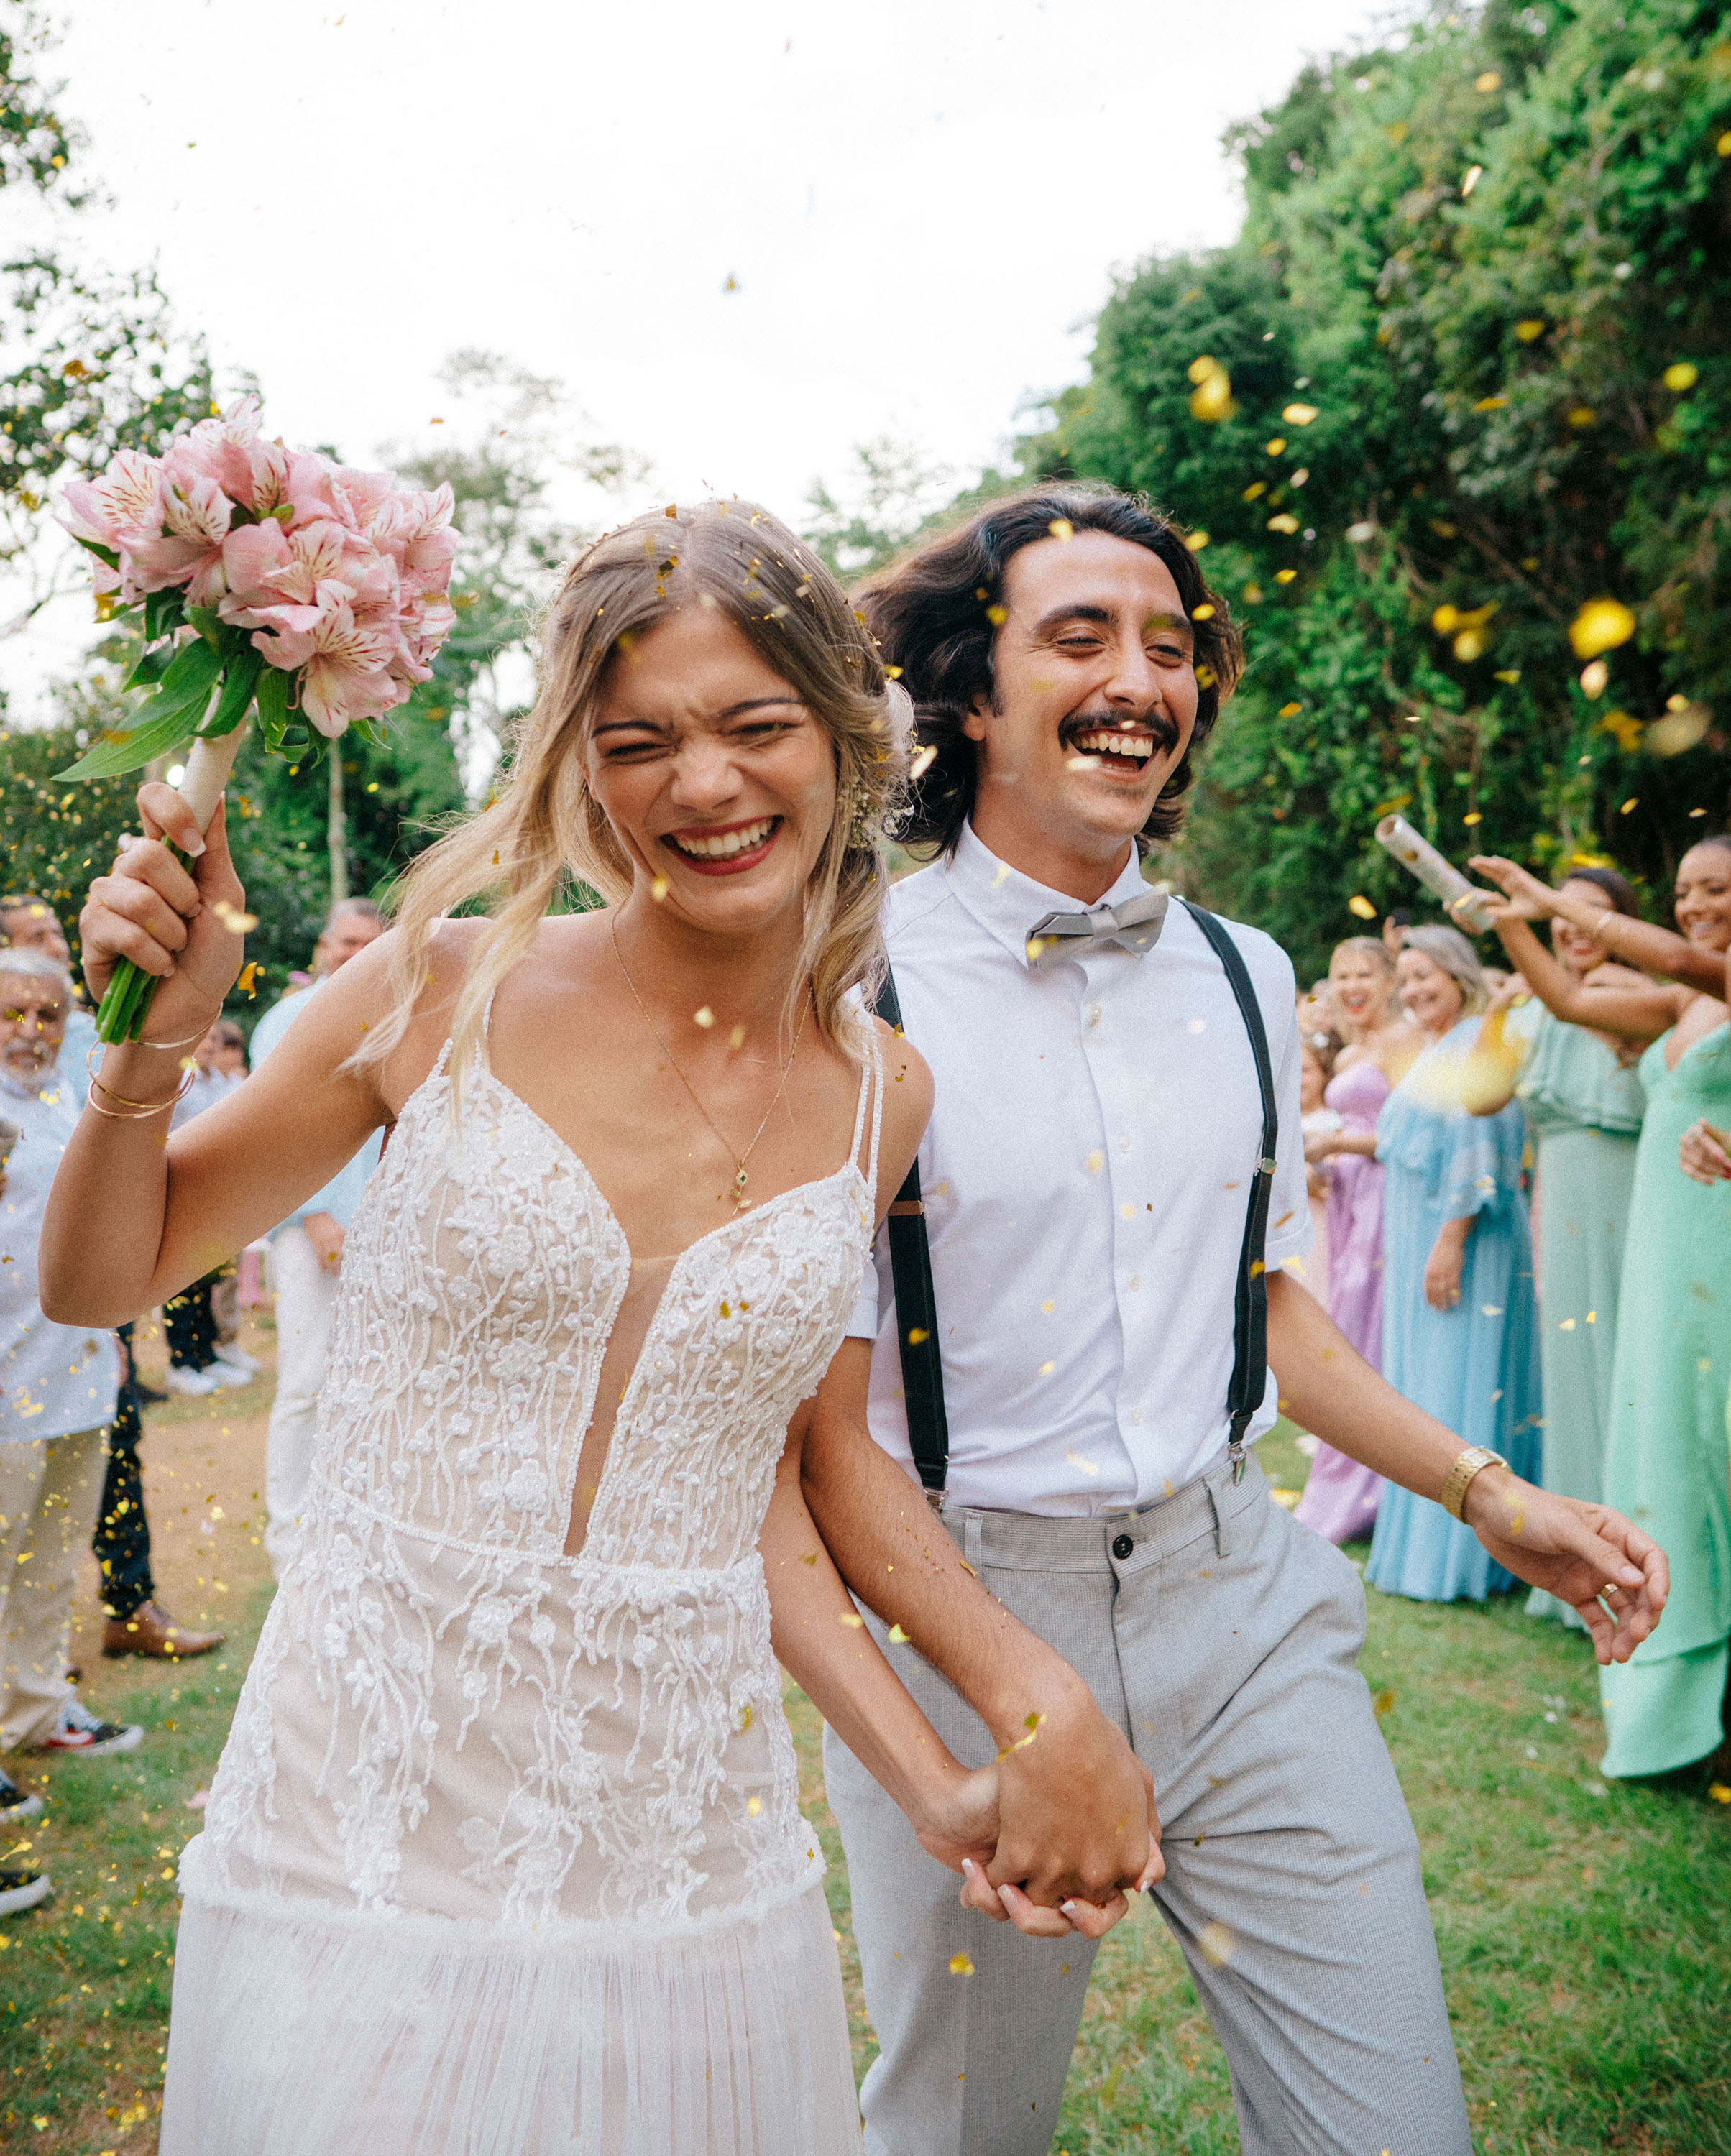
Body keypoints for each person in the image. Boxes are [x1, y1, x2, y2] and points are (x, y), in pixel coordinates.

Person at [44, 499, 1160, 2156]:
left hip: (683, 1844)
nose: (702, 784)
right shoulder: (434, 988)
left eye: (754, 725)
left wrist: (940, 1774)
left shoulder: (884, 1094)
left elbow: (777, 1475)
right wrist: (148, 1052)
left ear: (845, 736)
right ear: (578, 767)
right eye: (639, 742)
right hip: (367, 1812)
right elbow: (99, 1280)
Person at [797, 482, 1666, 2156]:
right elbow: (820, 1435)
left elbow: (1266, 1307)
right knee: (965, 2132)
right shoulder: (847, 981)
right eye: (1080, 637)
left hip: (1244, 1598)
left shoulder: (1247, 972)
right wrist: (1023, 1696)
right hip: (967, 1619)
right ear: (968, 692)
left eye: (1170, 646)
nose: (1140, 679)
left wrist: (1485, 1491)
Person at [1474, 841, 1731, 1776]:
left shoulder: (1701, 974)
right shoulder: (1682, 1005)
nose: (1694, 905)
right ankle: (1684, 1693)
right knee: (1667, 1439)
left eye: (1715, 889)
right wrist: (1515, 926)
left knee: (1715, 1440)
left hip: (1717, 1240)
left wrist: (1554, 901)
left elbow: (1677, 954)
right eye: (1684, 891)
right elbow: (1569, 1002)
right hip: (1668, 1243)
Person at [1464, 867, 1648, 1626]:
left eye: (1589, 911)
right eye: (1560, 912)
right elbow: (1480, 1096)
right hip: (1561, 1205)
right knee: (1571, 1374)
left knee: (1628, 1370)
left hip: (1631, 1193)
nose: (1571, 925)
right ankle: (1585, 1566)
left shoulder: (1639, 992)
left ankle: (1645, 1555)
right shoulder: (1533, 1007)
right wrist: (1498, 1010)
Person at [0, 946, 139, 1895]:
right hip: (6, 1383)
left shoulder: (71, 1098)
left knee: (51, 1560)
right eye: (12, 1014)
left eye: (47, 1014)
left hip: (78, 1376)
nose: (31, 1031)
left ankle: (37, 1709)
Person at [1362, 926, 1542, 1603]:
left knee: (1457, 1382)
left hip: (1465, 1237)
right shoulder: (1435, 1047)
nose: (1413, 990)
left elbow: (1481, 1142)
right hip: (1423, 1232)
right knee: (1425, 1386)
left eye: (1425, 975)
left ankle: (1467, 1559)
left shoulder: (1477, 1040)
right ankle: (1429, 1547)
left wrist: (1452, 1240)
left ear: (1459, 974)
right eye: (1405, 979)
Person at [248, 898, 386, 1575]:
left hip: (384, 1225)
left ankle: (350, 1530)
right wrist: (315, 1213)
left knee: (373, 1383)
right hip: (311, 1226)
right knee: (305, 1384)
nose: (357, 955)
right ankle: (289, 1544)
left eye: (370, 944)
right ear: (324, 946)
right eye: (347, 942)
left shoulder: (397, 1016)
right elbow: (271, 1127)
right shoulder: (287, 1019)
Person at [1295, 935, 1420, 1544]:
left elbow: (1417, 1134)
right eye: (1341, 975)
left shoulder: (1406, 1041)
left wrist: (1337, 1144)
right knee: (1347, 1332)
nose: (1351, 987)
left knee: (1376, 1335)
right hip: (1349, 1204)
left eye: (1363, 973)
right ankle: (1345, 1480)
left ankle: (1380, 1489)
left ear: (1391, 979)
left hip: (1390, 1203)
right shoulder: (1351, 1052)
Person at [161, 1022, 254, 1399]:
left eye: (214, 1038)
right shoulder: (179, 1081)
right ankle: (180, 1362)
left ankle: (205, 1354)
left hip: (216, 1196)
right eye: (203, 1037)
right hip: (182, 1192)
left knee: (208, 1280)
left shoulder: (222, 1082)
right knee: (181, 1282)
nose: (209, 1044)